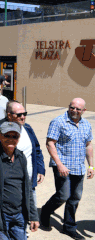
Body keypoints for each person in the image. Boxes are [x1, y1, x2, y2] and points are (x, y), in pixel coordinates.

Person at [40, 98, 94, 240]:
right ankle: (45, 212)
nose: (74, 111)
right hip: (62, 166)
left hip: (79, 167)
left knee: (75, 197)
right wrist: (59, 164)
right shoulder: (58, 122)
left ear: (84, 111)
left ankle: (69, 227)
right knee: (63, 195)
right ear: (69, 107)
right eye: (72, 107)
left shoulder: (86, 124)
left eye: (78, 109)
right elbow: (50, 143)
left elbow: (88, 145)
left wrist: (91, 165)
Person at [0, 122, 40, 240]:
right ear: (0, 136)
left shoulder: (21, 157)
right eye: (7, 136)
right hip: (0, 216)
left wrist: (33, 215)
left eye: (14, 136)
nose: (11, 139)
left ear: (19, 138)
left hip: (19, 215)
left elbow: (27, 189)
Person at [0, 101, 46, 209]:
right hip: (9, 186)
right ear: (9, 115)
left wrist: (40, 169)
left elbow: (37, 150)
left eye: (25, 114)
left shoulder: (27, 129)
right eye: (19, 115)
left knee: (31, 211)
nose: (23, 117)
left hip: (29, 182)